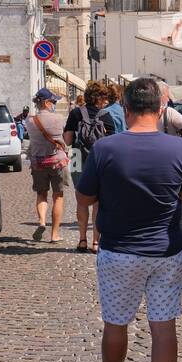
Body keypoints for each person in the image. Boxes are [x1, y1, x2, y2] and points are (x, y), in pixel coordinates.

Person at [75, 77, 182, 362]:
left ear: (124, 109)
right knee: (163, 327)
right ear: (161, 109)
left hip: (119, 251)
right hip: (167, 250)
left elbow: (84, 199)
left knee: (115, 323)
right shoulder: (178, 149)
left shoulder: (105, 148)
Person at [64, 80, 111, 252]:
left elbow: (68, 140)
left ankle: (82, 239)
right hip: (99, 159)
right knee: (98, 201)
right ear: (101, 98)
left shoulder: (76, 113)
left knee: (81, 199)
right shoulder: (106, 115)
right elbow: (112, 143)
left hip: (77, 157)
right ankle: (96, 242)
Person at [25, 88, 69, 243]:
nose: (55, 104)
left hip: (38, 163)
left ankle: (42, 221)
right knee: (58, 196)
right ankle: (54, 234)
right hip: (57, 161)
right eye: (54, 101)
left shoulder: (30, 121)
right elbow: (65, 137)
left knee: (41, 194)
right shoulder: (59, 118)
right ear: (46, 102)